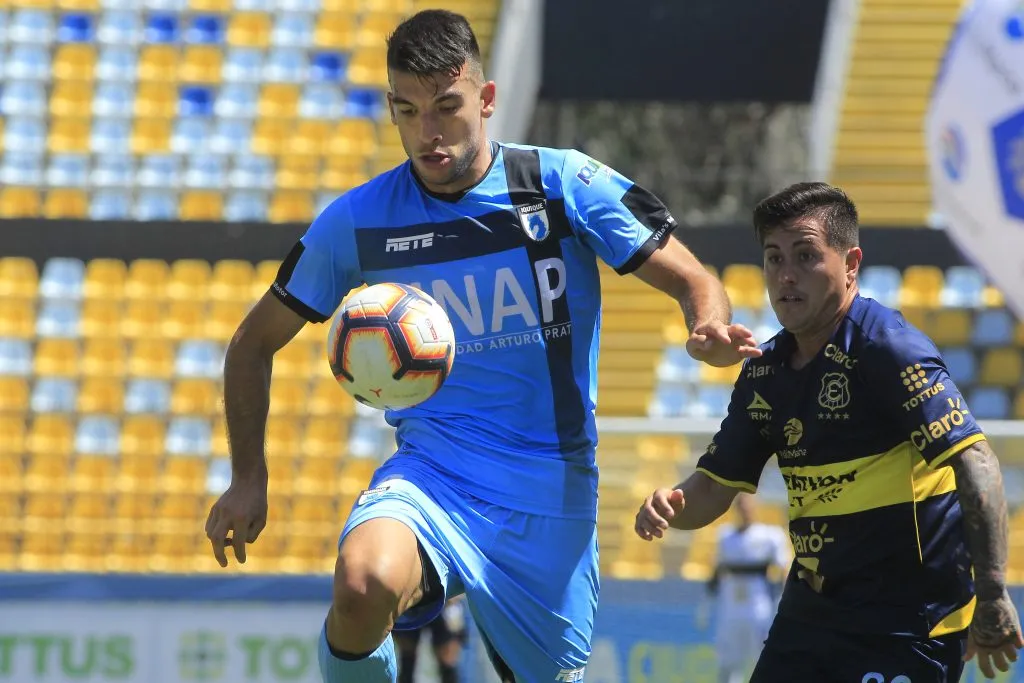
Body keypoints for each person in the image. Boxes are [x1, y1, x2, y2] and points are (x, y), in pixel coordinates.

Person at [204, 9, 759, 683]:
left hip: (550, 490)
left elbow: (695, 278)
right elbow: (252, 341)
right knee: (360, 583)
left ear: (486, 98)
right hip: (434, 473)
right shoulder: (359, 220)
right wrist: (247, 476)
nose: (428, 133)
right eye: (408, 112)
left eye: (446, 107)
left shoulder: (560, 186)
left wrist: (706, 323)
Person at [635, 182, 1023, 682]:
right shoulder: (765, 373)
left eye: (806, 256)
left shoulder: (888, 348)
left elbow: (977, 462)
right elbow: (713, 488)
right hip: (810, 616)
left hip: (906, 620)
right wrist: (671, 505)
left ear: (851, 263)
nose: (786, 275)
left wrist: (992, 592)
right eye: (773, 259)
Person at [706, 493, 790, 683]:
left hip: (758, 606)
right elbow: (718, 568)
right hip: (731, 606)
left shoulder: (770, 536)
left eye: (748, 505)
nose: (745, 510)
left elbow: (783, 568)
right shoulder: (725, 536)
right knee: (728, 661)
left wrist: (784, 597)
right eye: (741, 506)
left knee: (762, 658)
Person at [393, 597, 467, 683]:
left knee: (448, 660)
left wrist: (454, 600)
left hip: (444, 600)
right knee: (407, 659)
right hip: (411, 601)